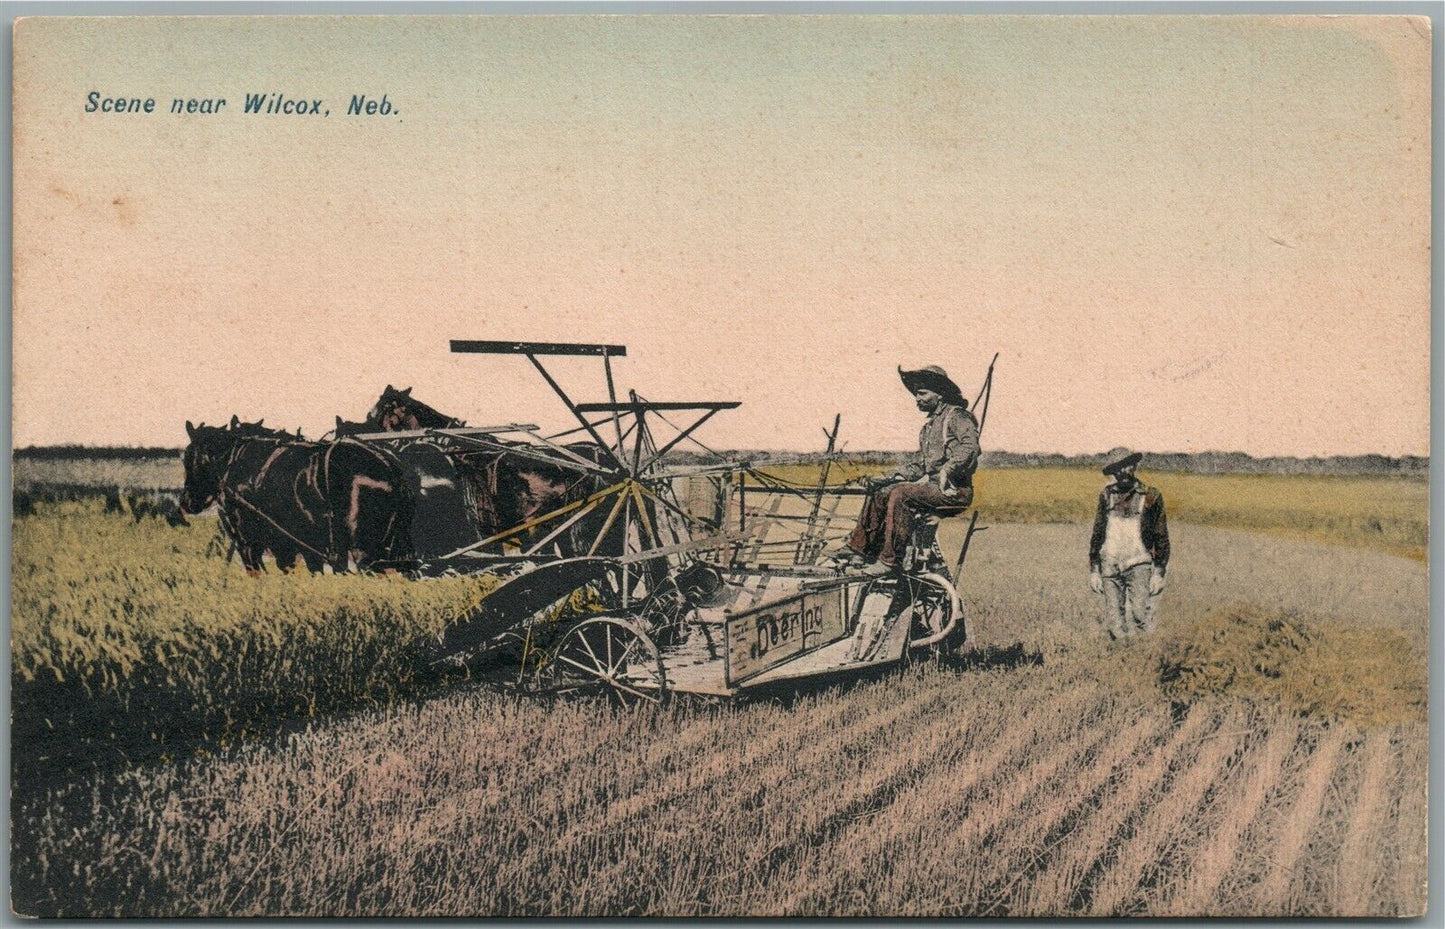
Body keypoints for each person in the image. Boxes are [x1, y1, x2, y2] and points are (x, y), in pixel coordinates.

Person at [834, 365, 980, 576]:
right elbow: (919, 466)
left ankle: (889, 561)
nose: (917, 399)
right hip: (934, 489)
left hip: (954, 492)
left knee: (901, 494)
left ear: (940, 393)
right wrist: (883, 478)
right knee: (882, 491)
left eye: (922, 393)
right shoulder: (928, 428)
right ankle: (859, 549)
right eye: (916, 394)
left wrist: (948, 470)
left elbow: (970, 447)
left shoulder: (957, 417)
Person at [1088, 452, 1170, 639]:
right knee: (1115, 621)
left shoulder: (1150, 495)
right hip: (1110, 565)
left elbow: (1161, 536)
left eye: (1126, 465)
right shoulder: (1106, 495)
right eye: (1117, 468)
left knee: (1141, 615)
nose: (1123, 471)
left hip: (1139, 564)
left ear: (1134, 465)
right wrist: (1094, 570)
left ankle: (1150, 652)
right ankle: (1121, 654)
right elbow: (1098, 533)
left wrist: (1159, 572)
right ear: (1113, 472)